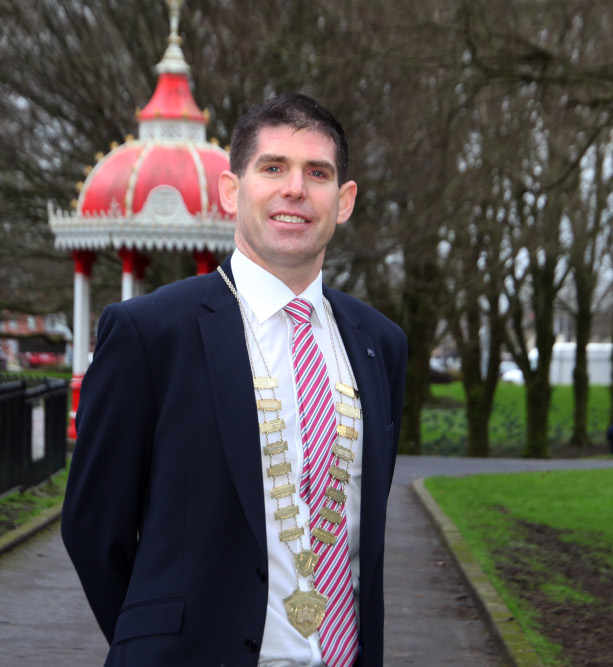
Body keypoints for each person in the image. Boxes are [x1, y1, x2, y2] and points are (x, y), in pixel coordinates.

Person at [61, 94, 408, 667]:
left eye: (316, 173)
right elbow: (96, 530)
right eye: (273, 168)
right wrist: (161, 641)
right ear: (231, 191)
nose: (294, 189)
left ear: (343, 201)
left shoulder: (379, 343)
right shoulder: (150, 334)